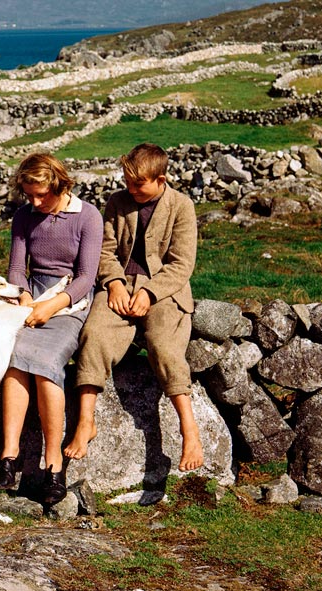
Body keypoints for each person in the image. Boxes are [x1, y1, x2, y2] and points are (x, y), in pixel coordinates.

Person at [66, 143, 204, 473]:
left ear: (161, 179)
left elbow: (181, 264)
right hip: (120, 286)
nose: (132, 189)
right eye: (128, 182)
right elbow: (105, 251)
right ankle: (86, 421)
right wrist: (113, 282)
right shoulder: (117, 202)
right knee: (94, 334)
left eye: (139, 184)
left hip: (165, 290)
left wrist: (151, 293)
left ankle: (190, 430)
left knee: (164, 346)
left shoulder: (181, 206)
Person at [0, 153, 103, 505]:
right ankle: (9, 456)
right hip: (32, 298)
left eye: (42, 195)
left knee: (46, 363)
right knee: (12, 357)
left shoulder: (88, 216)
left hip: (69, 301)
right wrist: (25, 296)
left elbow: (87, 277)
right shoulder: (24, 216)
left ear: (59, 183)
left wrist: (52, 306)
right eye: (30, 195)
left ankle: (54, 464)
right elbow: (16, 268)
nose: (36, 202)